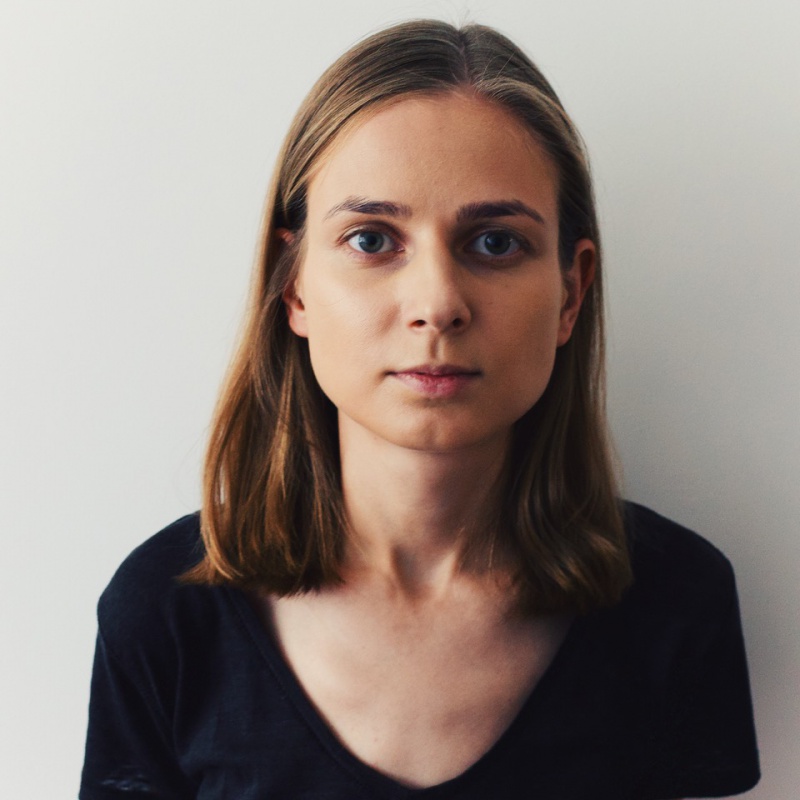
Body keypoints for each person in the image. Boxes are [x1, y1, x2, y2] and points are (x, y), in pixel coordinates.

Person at [79, 19, 760, 800]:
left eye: (495, 243)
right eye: (372, 240)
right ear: (293, 287)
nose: (437, 303)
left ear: (571, 292)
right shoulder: (165, 609)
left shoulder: (678, 602)